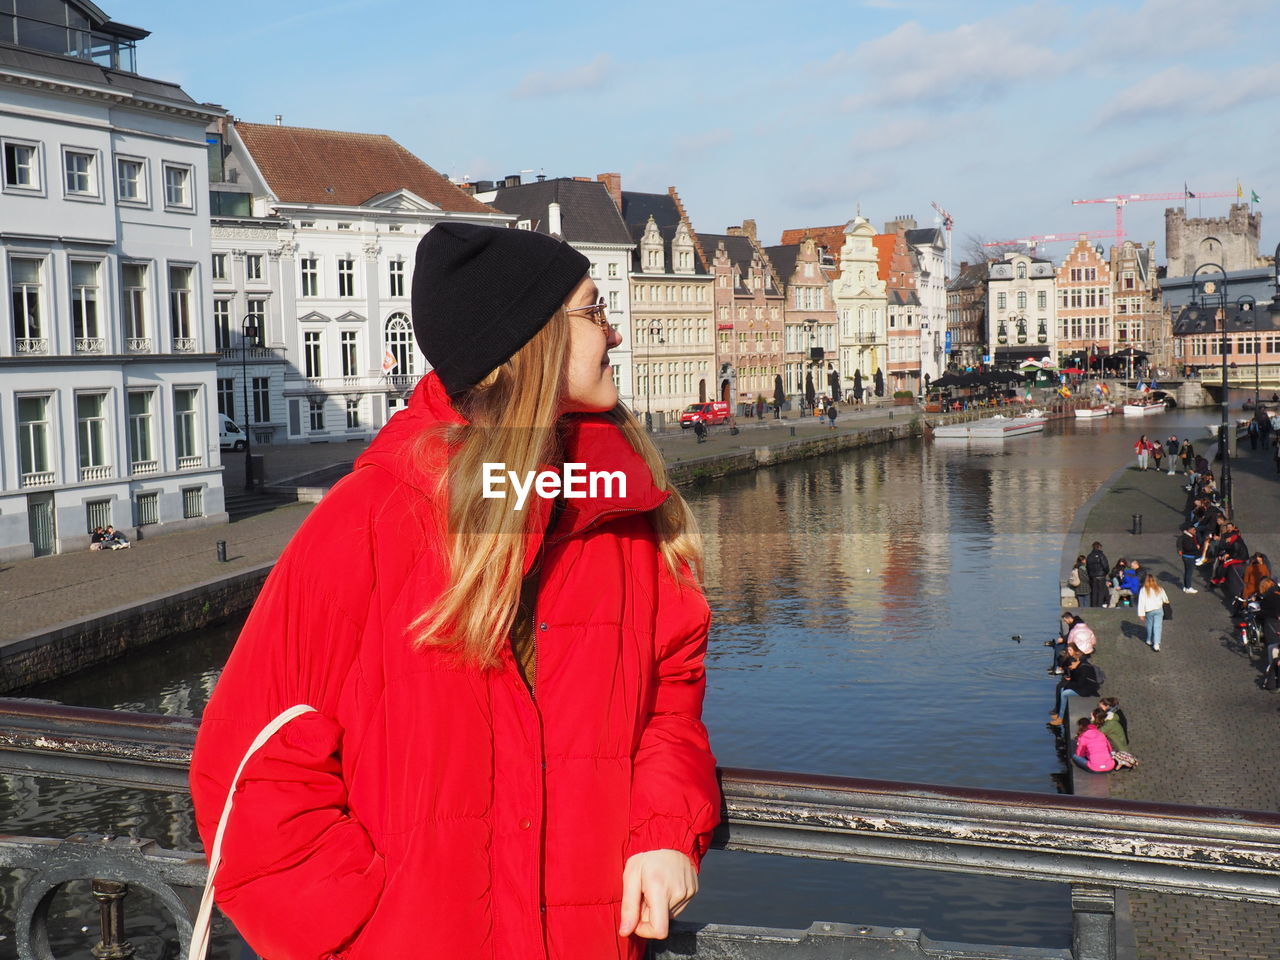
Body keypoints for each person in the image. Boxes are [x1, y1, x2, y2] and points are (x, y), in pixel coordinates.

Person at [188, 223, 720, 960]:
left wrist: (663, 832)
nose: (616, 334)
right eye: (594, 312)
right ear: (525, 343)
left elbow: (671, 688)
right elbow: (254, 759)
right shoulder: (374, 517)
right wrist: (365, 927)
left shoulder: (621, 508)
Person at [1049, 642, 1101, 726]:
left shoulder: (1083, 668)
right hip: (1082, 685)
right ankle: (1059, 714)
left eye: (1070, 650)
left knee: (1064, 693)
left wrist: (1068, 685)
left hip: (1087, 689)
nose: (1071, 664)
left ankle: (1061, 718)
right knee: (1062, 689)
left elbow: (1080, 683)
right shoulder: (1079, 665)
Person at [1136, 573, 1168, 652]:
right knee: (1158, 626)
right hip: (1159, 610)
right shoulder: (1159, 589)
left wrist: (1141, 614)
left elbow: (1141, 602)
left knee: (1150, 625)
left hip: (1149, 611)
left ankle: (1149, 639)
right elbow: (1165, 599)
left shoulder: (1143, 590)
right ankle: (1156, 644)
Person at [1086, 541, 1110, 609]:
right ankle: (1099, 605)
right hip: (1101, 576)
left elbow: (1087, 567)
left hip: (1093, 577)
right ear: (1099, 547)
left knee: (1094, 591)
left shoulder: (1089, 556)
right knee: (1101, 592)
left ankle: (1094, 605)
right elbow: (1105, 566)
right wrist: (1105, 573)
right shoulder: (1101, 555)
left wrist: (1090, 575)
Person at [1177, 523, 1200, 594]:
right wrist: (1196, 547)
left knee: (1187, 572)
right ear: (1189, 530)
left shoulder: (1184, 536)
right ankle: (1188, 587)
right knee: (1189, 572)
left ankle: (1186, 586)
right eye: (1193, 530)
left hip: (1186, 556)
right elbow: (1188, 548)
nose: (1195, 531)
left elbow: (1179, 543)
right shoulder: (1188, 538)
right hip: (1189, 557)